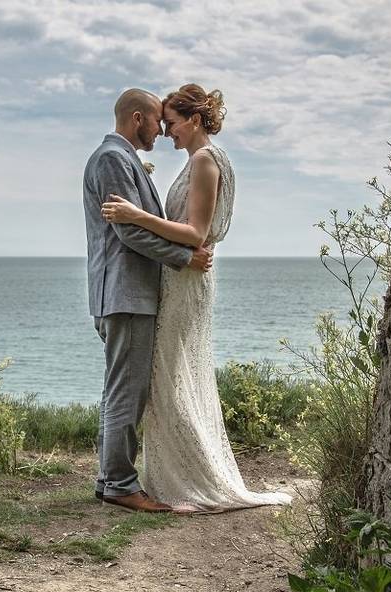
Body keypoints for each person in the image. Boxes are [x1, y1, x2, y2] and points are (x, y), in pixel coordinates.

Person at [101, 83, 292, 513]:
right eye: (162, 124)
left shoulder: (206, 161)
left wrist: (136, 214)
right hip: (178, 277)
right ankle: (167, 475)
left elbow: (196, 234)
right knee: (168, 377)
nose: (167, 132)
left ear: (194, 120)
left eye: (171, 124)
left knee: (171, 375)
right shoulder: (196, 161)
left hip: (187, 279)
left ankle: (191, 477)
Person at [83, 88, 214, 512]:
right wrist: (184, 258)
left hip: (123, 292)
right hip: (126, 293)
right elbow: (130, 232)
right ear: (137, 118)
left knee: (120, 386)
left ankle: (110, 480)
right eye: (158, 121)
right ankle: (121, 484)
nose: (161, 130)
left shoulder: (117, 158)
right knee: (129, 389)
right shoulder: (113, 159)